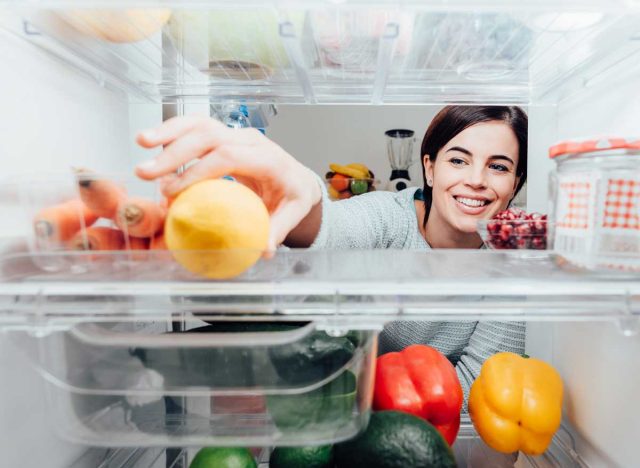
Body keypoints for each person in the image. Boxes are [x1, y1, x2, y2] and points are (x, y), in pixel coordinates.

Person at [135, 105, 528, 408]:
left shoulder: (510, 265)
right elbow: (334, 230)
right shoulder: (389, 215)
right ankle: (143, 364)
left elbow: (485, 387)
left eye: (498, 167)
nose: (476, 179)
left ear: (515, 185)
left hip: (417, 423)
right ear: (429, 168)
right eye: (458, 160)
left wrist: (368, 395)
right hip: (335, 403)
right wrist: (303, 194)